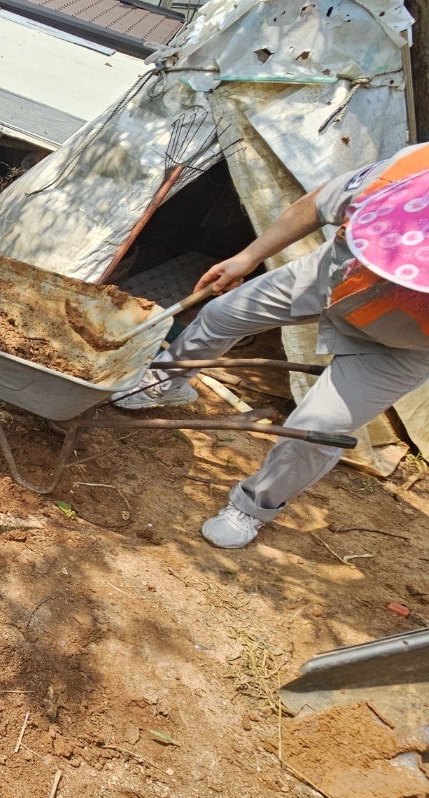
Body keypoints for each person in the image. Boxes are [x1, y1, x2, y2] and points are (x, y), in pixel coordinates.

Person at [114, 143, 429, 549]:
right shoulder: (407, 171)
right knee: (221, 313)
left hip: (403, 343)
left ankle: (252, 506)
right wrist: (246, 258)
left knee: (318, 430)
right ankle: (165, 382)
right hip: (332, 276)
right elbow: (314, 205)